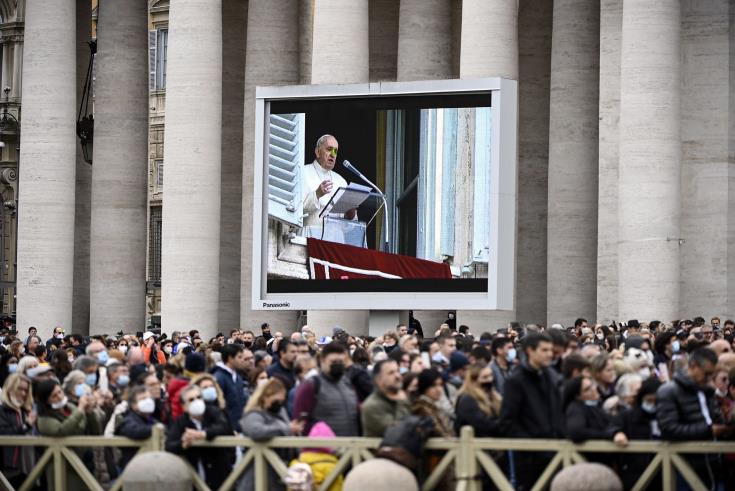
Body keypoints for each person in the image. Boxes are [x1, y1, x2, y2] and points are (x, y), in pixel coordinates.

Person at [657, 348, 730, 488]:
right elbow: (669, 429)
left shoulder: (706, 390)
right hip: (685, 464)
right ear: (693, 366)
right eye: (706, 373)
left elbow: (713, 418)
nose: (709, 378)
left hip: (713, 462)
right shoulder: (669, 392)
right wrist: (709, 431)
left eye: (711, 374)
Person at [499, 332, 563, 491]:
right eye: (544, 350)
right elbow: (508, 421)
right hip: (529, 456)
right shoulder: (515, 381)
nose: (550, 354)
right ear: (530, 351)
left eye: (551, 350)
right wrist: (533, 443)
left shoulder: (552, 376)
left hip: (556, 451)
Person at [238, 378, 304, 491]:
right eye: (276, 399)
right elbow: (256, 431)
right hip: (259, 474)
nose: (280, 403)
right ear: (265, 397)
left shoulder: (280, 412)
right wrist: (286, 429)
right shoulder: (253, 414)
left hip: (279, 472)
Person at [36, 379, 101, 491]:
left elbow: (95, 431)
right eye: (54, 396)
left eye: (60, 392)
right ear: (46, 400)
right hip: (63, 465)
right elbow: (61, 431)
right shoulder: (43, 418)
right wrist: (80, 410)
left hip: (83, 460)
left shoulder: (70, 407)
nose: (60, 397)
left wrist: (90, 413)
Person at [165, 384, 235, 489]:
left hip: (220, 470)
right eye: (191, 400)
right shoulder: (181, 421)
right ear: (184, 407)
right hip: (197, 474)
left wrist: (203, 434)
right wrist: (183, 444)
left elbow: (223, 427)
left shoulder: (214, 411)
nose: (196, 401)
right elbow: (169, 445)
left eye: (199, 397)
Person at [293, 342, 359, 436]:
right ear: (322, 361)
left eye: (341, 362)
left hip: (352, 446)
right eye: (333, 362)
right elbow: (301, 423)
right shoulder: (311, 385)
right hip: (323, 447)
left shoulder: (348, 384)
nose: (338, 365)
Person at [301, 134, 357, 237]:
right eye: (329, 149)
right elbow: (296, 210)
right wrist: (317, 194)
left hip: (336, 241)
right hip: (311, 237)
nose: (333, 154)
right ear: (318, 152)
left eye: (335, 151)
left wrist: (351, 214)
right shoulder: (303, 173)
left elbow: (349, 228)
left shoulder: (341, 181)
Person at [563, 376, 628, 445]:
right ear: (578, 396)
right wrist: (610, 435)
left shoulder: (595, 405)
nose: (593, 389)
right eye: (587, 389)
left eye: (592, 385)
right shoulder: (576, 408)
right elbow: (576, 432)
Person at [0, 374, 36, 487]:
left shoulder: (26, 410)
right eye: (20, 389)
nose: (23, 393)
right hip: (11, 467)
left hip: (32, 465)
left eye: (26, 390)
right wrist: (26, 425)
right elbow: (4, 433)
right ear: (10, 388)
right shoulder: (2, 411)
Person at [361, 359, 411, 437]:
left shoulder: (404, 396)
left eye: (398, 371)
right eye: (391, 373)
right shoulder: (372, 406)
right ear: (378, 380)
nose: (398, 376)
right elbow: (397, 431)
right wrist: (402, 402)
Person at [115, 386, 159, 470]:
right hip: (133, 467)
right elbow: (135, 431)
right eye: (143, 399)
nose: (148, 401)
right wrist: (155, 429)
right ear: (134, 405)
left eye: (149, 398)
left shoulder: (151, 420)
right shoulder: (128, 420)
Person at [455, 364, 502, 436]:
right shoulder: (467, 400)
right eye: (485, 377)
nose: (490, 379)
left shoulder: (493, 396)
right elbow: (483, 426)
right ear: (474, 381)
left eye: (491, 375)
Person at [212, 343, 249, 432]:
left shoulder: (237, 376)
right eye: (239, 357)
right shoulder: (219, 377)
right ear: (230, 358)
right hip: (226, 427)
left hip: (238, 424)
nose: (242, 360)